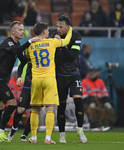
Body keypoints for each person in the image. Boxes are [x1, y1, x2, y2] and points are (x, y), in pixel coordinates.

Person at [0, 21, 39, 143]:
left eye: (23, 29)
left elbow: (22, 60)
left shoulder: (17, 44)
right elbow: (16, 52)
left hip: (0, 79)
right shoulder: (8, 42)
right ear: (13, 31)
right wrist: (30, 41)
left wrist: (31, 58)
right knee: (12, 104)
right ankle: (1, 130)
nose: (23, 32)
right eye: (20, 30)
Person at [26, 22, 72, 144]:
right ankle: (47, 138)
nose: (49, 32)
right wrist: (70, 29)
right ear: (44, 32)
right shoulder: (52, 42)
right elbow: (66, 41)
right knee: (50, 109)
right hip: (49, 79)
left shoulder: (30, 45)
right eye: (47, 30)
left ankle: (34, 138)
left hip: (36, 79)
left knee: (35, 109)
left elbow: (26, 58)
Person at [51, 14, 87, 143]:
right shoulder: (53, 36)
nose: (58, 29)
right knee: (61, 106)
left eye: (61, 27)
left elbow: (73, 55)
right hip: (60, 76)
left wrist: (61, 44)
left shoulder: (75, 36)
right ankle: (62, 135)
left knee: (78, 102)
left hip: (73, 74)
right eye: (57, 26)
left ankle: (80, 130)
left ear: (68, 27)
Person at [7, 53, 33, 142]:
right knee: (20, 110)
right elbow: (22, 64)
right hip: (27, 84)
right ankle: (13, 130)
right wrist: (19, 76)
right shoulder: (30, 49)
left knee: (34, 111)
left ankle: (24, 135)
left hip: (39, 86)